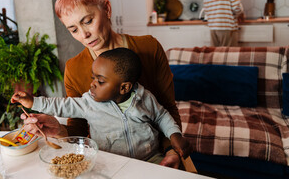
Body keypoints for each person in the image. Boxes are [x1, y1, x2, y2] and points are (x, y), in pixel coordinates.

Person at [17, 0, 183, 168]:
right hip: (109, 162)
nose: (83, 35)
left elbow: (167, 107)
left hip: (155, 158)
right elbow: (78, 129)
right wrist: (59, 130)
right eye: (73, 29)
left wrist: (172, 151)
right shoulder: (74, 68)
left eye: (87, 21)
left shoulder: (148, 47)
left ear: (107, 9)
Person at [11, 48, 191, 163]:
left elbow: (161, 116)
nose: (92, 84)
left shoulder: (144, 98)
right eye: (93, 78)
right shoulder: (88, 103)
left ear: (124, 87)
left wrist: (174, 135)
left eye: (100, 81)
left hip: (150, 158)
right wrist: (33, 101)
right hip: (109, 160)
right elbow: (62, 105)